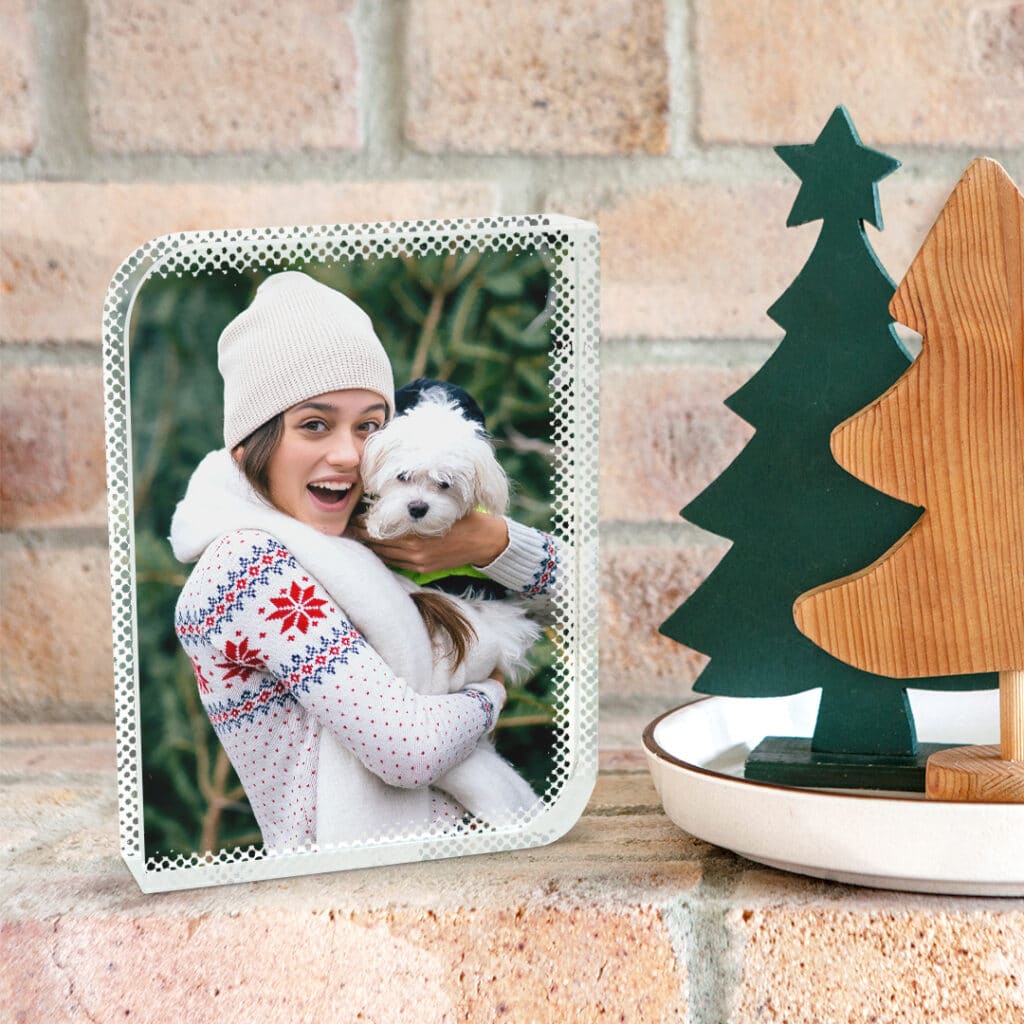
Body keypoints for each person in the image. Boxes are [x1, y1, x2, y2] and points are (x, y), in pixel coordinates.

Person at [170, 271, 561, 851]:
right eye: (314, 425)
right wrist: (492, 690)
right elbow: (409, 750)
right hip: (367, 899)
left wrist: (491, 545)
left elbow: (591, 601)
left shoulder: (346, 542)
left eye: (370, 426)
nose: (349, 454)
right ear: (250, 440)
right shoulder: (244, 569)